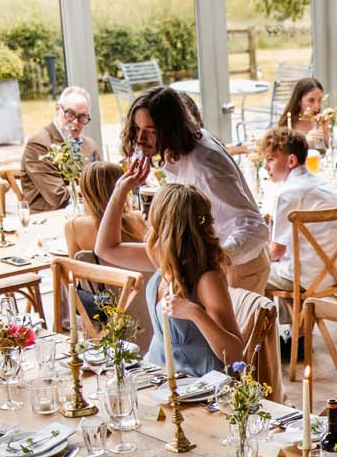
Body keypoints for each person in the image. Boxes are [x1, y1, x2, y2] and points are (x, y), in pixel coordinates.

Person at [98, 155, 245, 376]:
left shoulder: (207, 278)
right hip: (157, 371)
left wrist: (195, 313)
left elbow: (235, 355)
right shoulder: (163, 257)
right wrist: (120, 190)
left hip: (197, 382)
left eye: (151, 213)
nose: (146, 218)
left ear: (164, 225)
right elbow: (106, 249)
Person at [121, 85, 271, 293]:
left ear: (170, 129)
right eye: (137, 129)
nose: (140, 139)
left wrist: (213, 260)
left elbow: (255, 227)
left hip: (238, 268)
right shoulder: (181, 148)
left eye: (151, 131)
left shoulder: (204, 168)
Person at [259, 127, 337, 294]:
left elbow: (276, 251)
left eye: (270, 160)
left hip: (303, 279)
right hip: (334, 273)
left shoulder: (287, 194)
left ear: (291, 161)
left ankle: (271, 320)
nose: (265, 167)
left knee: (246, 274)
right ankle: (293, 319)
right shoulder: (323, 183)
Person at [20, 85, 101, 213]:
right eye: (70, 114)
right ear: (58, 109)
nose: (75, 122)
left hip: (87, 215)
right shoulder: (39, 144)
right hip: (50, 219)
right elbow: (58, 197)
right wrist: (93, 190)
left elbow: (104, 185)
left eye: (82, 117)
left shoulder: (90, 145)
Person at [62, 160, 145, 260]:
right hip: (141, 276)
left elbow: (74, 268)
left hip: (97, 275)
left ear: (86, 192)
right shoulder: (140, 218)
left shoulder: (73, 227)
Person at [275, 76, 331, 149]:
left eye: (320, 100)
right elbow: (283, 155)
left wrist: (326, 131)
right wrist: (305, 142)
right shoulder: (288, 125)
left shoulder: (320, 123)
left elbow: (335, 151)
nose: (317, 106)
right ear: (299, 101)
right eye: (311, 100)